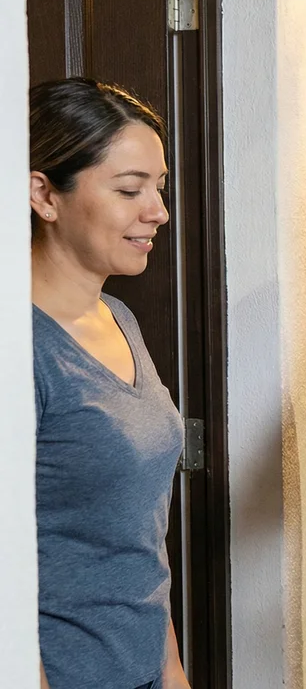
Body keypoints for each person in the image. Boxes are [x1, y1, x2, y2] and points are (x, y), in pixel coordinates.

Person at [29, 78, 189, 689]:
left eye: (159, 186)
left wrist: (170, 669)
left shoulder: (119, 318)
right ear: (44, 193)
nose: (158, 211)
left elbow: (137, 534)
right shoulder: (21, 349)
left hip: (143, 668)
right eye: (130, 190)